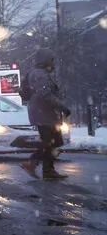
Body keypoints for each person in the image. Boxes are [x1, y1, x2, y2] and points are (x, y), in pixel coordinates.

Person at [20, 47, 71, 180]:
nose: (53, 63)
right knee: (52, 142)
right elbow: (46, 95)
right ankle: (33, 163)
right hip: (44, 115)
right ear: (46, 60)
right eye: (52, 60)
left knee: (53, 142)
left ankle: (47, 170)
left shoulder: (40, 73)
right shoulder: (39, 75)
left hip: (45, 114)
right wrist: (63, 107)